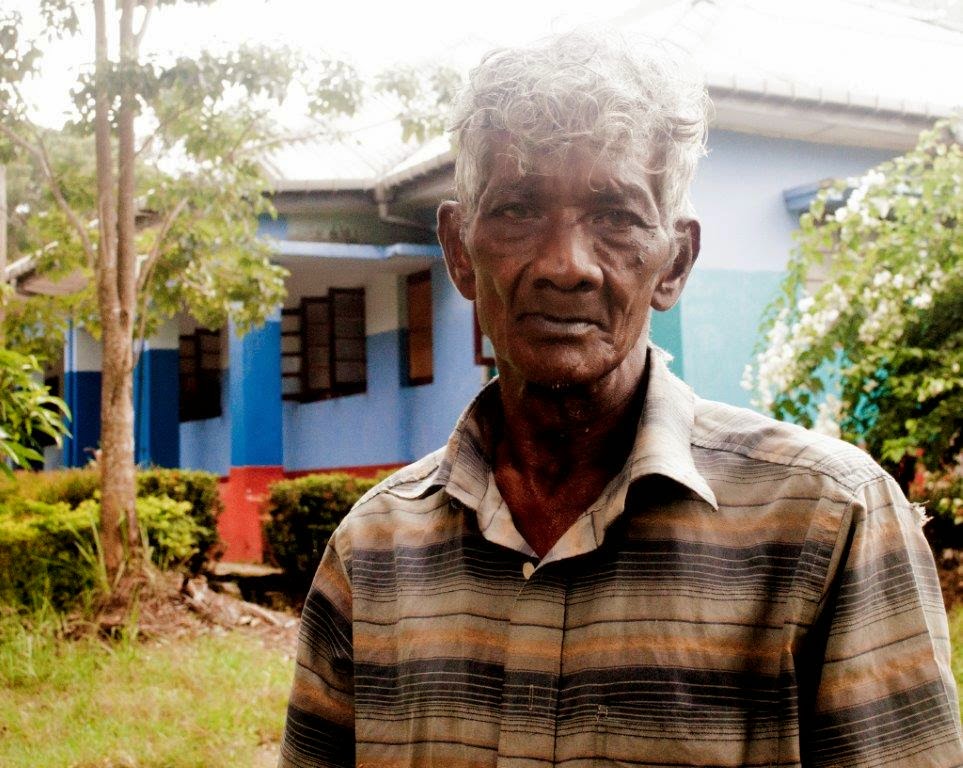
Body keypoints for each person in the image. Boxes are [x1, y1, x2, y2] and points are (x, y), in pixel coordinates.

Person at [279, 32, 963, 768]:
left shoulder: (830, 523)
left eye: (616, 217)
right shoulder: (372, 549)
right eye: (517, 209)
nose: (565, 265)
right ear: (457, 250)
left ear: (675, 263)